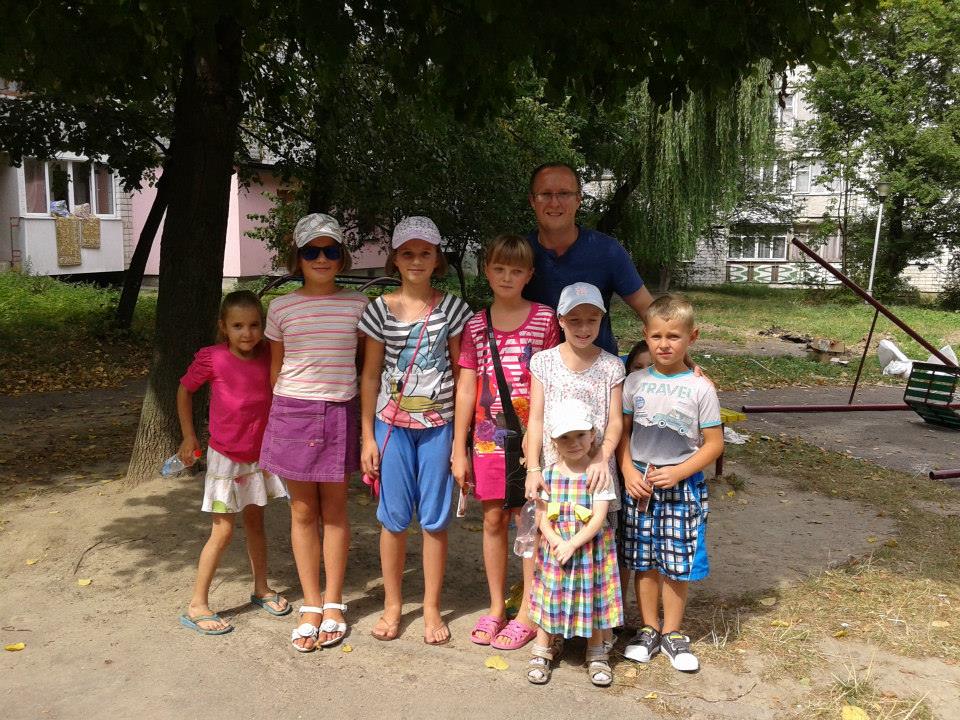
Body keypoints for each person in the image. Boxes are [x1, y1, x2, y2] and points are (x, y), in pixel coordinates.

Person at [359, 216, 473, 645]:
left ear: (437, 258)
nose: (416, 260)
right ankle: (392, 604)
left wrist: (459, 444)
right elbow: (370, 375)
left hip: (438, 428)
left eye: (425, 253)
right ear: (395, 258)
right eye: (407, 253)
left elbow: (463, 375)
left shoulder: (454, 310)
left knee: (435, 520)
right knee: (392, 519)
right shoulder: (378, 310)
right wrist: (367, 437)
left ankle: (430, 606)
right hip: (390, 428)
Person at [259, 213, 368, 652]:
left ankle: (334, 601)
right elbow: (275, 369)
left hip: (339, 411)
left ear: (342, 256)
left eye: (330, 250)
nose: (321, 258)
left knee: (336, 511)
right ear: (298, 257)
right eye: (311, 251)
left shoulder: (359, 305)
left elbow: (365, 365)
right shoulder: (281, 307)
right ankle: (310, 603)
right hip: (292, 412)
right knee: (302, 511)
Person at [452, 234, 560, 651]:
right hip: (486, 440)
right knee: (494, 520)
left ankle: (527, 611)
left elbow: (552, 379)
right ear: (487, 271)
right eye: (499, 268)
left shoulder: (545, 319)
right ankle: (496, 606)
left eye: (516, 270)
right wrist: (458, 448)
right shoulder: (475, 325)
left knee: (528, 522)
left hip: (532, 440)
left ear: (529, 274)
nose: (507, 277)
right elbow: (466, 387)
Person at [617, 294, 724, 672]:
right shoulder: (634, 382)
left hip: (681, 486)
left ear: (692, 337)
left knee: (676, 563)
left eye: (674, 336)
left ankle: (673, 633)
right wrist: (628, 471)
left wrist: (679, 471)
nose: (664, 344)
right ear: (645, 335)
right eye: (657, 336)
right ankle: (648, 628)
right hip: (641, 487)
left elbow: (714, 444)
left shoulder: (701, 388)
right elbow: (622, 434)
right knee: (643, 560)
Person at [176, 290, 290, 635]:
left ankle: (261, 588)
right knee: (223, 531)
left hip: (260, 457)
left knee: (256, 523)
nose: (247, 333)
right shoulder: (212, 358)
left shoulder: (271, 353)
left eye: (254, 325)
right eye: (238, 325)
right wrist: (189, 436)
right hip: (225, 459)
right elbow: (184, 390)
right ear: (223, 327)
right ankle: (197, 604)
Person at [524, 281, 625, 656]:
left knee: (595, 556)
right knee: (552, 554)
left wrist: (602, 456)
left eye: (592, 320)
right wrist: (533, 467)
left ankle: (597, 635)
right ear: (561, 320)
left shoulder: (611, 366)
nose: (584, 328)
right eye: (575, 320)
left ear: (602, 321)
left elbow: (615, 421)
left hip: (594, 476)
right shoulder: (544, 362)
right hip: (554, 474)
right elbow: (536, 419)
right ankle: (551, 631)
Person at [526, 398, 623, 686]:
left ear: (593, 435)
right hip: (556, 550)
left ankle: (596, 652)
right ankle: (543, 648)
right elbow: (542, 515)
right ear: (554, 441)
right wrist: (556, 540)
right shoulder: (548, 474)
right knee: (551, 596)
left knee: (593, 598)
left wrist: (573, 543)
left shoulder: (599, 475)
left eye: (580, 434)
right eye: (565, 437)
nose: (574, 443)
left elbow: (598, 518)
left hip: (589, 552)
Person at [523, 162, 654, 355]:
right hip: (535, 370)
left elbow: (650, 312)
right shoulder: (519, 254)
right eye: (545, 194)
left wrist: (682, 361)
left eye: (564, 193)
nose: (555, 203)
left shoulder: (607, 251)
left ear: (578, 199)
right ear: (532, 200)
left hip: (598, 370)